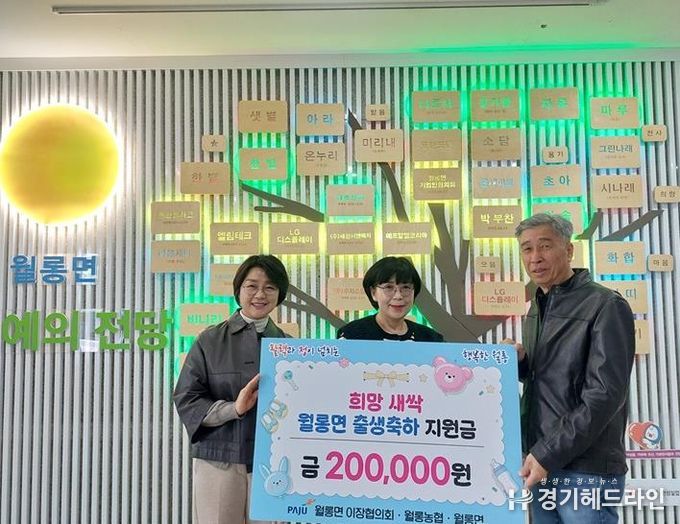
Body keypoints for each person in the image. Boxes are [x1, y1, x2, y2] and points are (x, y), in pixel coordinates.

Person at [504, 213, 635, 524]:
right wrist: (522, 363)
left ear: (569, 250)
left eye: (545, 246)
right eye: (527, 249)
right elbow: (554, 377)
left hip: (585, 467)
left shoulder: (605, 305)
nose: (535, 258)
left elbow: (604, 395)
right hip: (541, 461)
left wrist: (547, 453)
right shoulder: (537, 306)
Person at [174, 254, 290, 524]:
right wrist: (233, 409)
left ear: (279, 294)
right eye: (252, 286)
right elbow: (187, 398)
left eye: (270, 287)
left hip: (273, 463)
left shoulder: (290, 347)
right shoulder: (209, 340)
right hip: (219, 461)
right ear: (238, 290)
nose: (260, 294)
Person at [337, 256, 443, 342]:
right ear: (373, 293)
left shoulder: (431, 339)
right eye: (389, 287)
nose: (398, 296)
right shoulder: (352, 335)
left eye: (406, 287)